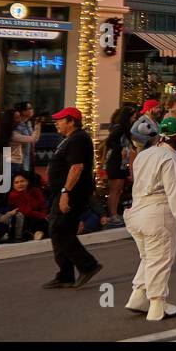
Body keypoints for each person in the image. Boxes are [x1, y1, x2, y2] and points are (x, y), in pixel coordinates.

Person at [123, 116, 176, 321]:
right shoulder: (170, 158)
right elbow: (175, 190)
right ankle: (157, 305)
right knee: (160, 259)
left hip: (137, 213)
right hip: (158, 213)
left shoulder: (144, 155)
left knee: (149, 257)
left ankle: (138, 295)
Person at [42, 107, 102, 290]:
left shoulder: (79, 139)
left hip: (72, 194)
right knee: (56, 230)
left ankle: (88, 265)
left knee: (61, 230)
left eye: (60, 120)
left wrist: (65, 193)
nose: (56, 123)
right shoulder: (69, 140)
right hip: (61, 193)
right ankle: (65, 275)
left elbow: (77, 167)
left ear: (71, 122)